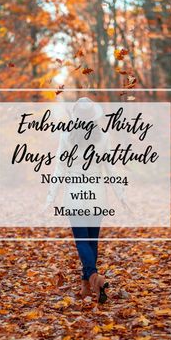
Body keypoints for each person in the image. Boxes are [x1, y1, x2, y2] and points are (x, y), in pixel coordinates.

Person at [45, 97, 125, 303]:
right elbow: (111, 168)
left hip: (74, 195)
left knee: (82, 241)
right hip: (97, 195)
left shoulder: (66, 136)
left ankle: (94, 278)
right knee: (92, 241)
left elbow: (60, 168)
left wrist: (51, 196)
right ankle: (87, 287)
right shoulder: (103, 136)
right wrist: (120, 195)